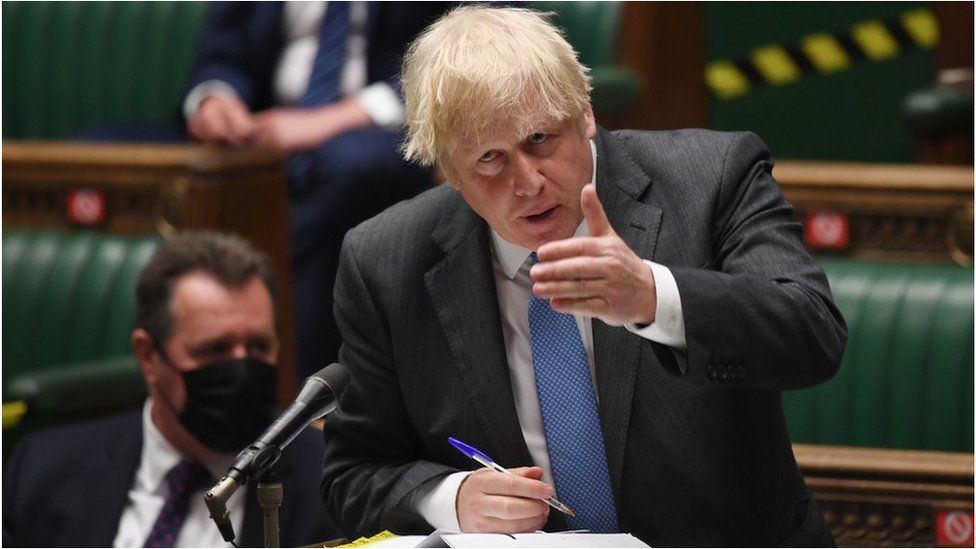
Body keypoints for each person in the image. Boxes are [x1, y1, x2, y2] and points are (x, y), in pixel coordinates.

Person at [320, 6, 847, 547]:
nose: (527, 182)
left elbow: (813, 335)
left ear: (586, 115)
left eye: (541, 139)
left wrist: (653, 297)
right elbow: (352, 474)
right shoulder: (385, 260)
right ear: (450, 171)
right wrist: (448, 498)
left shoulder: (712, 178)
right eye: (490, 160)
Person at [3, 232, 339, 547]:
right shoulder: (43, 468)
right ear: (149, 356)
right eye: (215, 350)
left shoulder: (331, 479)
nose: (242, 369)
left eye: (258, 346)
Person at [182, 2, 451, 381]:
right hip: (261, 126)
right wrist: (216, 98)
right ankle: (174, 387)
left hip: (383, 125)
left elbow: (484, 34)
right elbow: (222, 51)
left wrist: (329, 121)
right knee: (100, 150)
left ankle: (298, 393)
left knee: (349, 167)